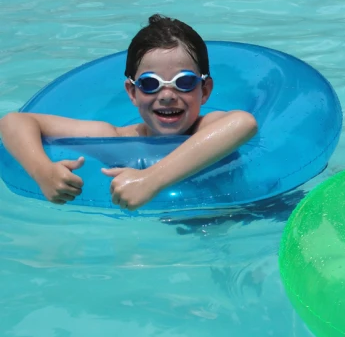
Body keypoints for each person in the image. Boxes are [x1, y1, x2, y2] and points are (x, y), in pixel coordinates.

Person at [0, 14, 257, 211]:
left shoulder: (206, 127)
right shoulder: (113, 138)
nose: (167, 95)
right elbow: (14, 122)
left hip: (241, 213)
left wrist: (151, 180)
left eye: (184, 82)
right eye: (150, 84)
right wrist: (43, 171)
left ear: (205, 90)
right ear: (132, 93)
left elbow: (243, 123)